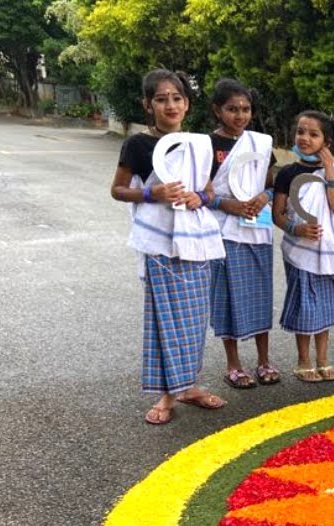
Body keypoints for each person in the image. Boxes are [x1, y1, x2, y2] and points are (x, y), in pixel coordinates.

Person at [109, 68, 226, 425]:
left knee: (192, 320)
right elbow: (118, 189)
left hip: (195, 243)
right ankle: (166, 396)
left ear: (187, 104)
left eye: (176, 98)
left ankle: (187, 386)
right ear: (148, 105)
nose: (170, 105)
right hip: (158, 241)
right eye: (161, 99)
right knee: (164, 319)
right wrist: (151, 193)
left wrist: (199, 198)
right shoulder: (138, 145)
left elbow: (209, 190)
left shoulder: (200, 144)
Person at [206, 78, 280, 389]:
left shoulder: (260, 143)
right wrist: (229, 205)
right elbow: (202, 192)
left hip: (258, 229)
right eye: (232, 109)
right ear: (217, 110)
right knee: (229, 298)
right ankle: (233, 364)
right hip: (225, 230)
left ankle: (264, 361)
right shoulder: (206, 146)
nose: (240, 115)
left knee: (261, 296)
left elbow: (272, 183)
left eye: (246, 109)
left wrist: (264, 197)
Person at [270, 111, 334, 383]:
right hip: (299, 250)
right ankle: (303, 360)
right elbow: (278, 214)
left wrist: (328, 168)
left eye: (313, 134)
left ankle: (323, 359)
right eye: (301, 132)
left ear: (326, 141)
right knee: (305, 304)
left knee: (326, 304)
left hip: (327, 250)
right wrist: (297, 229)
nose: (304, 138)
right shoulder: (287, 173)